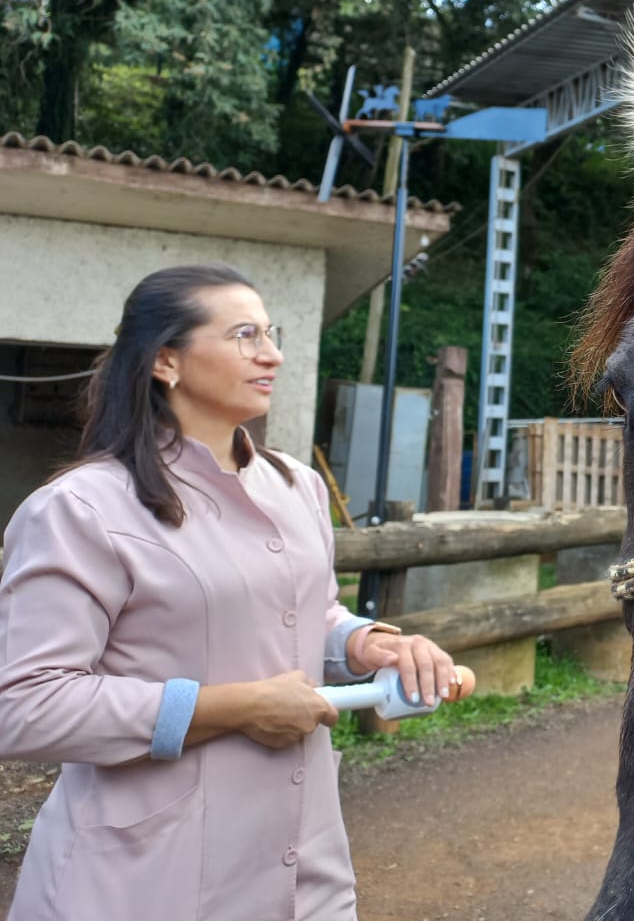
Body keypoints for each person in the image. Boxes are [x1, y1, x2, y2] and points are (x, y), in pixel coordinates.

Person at [0, 264, 456, 920]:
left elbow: (308, 612)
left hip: (307, 873)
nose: (270, 353)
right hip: (142, 882)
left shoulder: (295, 485)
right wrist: (232, 708)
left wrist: (365, 643)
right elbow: (25, 703)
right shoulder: (79, 509)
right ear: (165, 361)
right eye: (244, 335)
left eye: (271, 334)